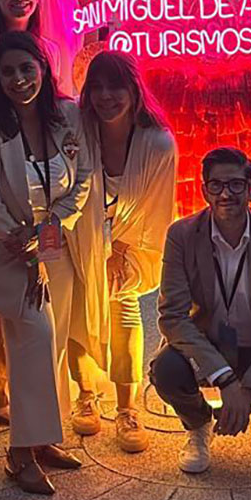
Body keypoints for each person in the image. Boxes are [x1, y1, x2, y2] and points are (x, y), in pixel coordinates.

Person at [0, 30, 91, 495]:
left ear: (43, 68)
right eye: (8, 72)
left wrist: (54, 224)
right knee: (34, 338)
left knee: (50, 346)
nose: (19, 79)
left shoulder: (68, 116)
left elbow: (84, 177)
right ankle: (19, 453)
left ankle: (43, 439)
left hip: (54, 244)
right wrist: (21, 241)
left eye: (26, 68)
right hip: (6, 251)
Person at [151, 147, 251, 473]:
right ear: (204, 191)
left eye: (236, 185)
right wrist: (225, 382)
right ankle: (198, 425)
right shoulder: (182, 235)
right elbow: (173, 317)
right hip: (208, 344)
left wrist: (249, 390)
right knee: (166, 370)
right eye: (216, 185)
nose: (226, 194)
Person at [67, 51, 178, 453]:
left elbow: (157, 208)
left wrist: (118, 249)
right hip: (77, 235)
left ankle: (128, 408)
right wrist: (91, 245)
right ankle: (86, 395)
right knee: (78, 309)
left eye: (115, 87)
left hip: (131, 241)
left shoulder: (158, 143)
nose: (105, 96)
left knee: (124, 305)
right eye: (96, 87)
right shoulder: (76, 130)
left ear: (134, 90)